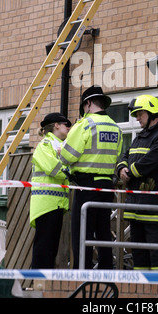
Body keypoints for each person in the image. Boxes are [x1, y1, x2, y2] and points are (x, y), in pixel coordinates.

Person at [60, 85, 123, 269]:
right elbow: (115, 155)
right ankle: (105, 271)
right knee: (104, 231)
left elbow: (67, 156)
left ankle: (83, 273)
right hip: (107, 186)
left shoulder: (85, 124)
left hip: (86, 186)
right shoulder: (115, 127)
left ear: (87, 104)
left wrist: (61, 150)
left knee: (82, 233)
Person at [117, 95, 158, 270]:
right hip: (135, 206)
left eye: (139, 114)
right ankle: (140, 288)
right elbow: (125, 155)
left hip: (154, 206)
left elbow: (153, 160)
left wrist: (131, 172)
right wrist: (121, 168)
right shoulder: (140, 136)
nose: (137, 118)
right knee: (139, 253)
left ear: (151, 113)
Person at [30, 112, 71, 269]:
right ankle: (39, 283)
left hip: (56, 204)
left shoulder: (59, 146)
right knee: (44, 248)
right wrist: (71, 170)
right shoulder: (45, 145)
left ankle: (46, 285)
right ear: (56, 125)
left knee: (51, 248)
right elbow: (56, 170)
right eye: (66, 124)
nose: (69, 127)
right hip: (46, 204)